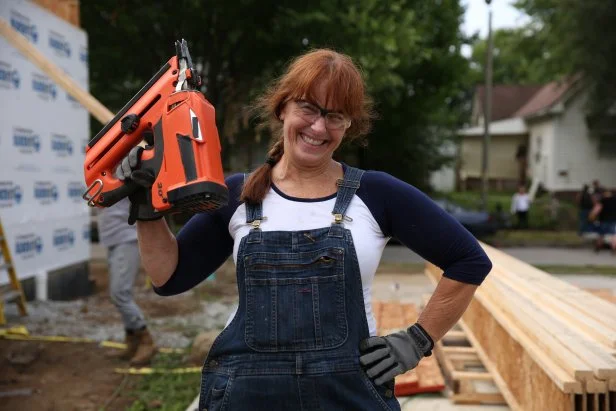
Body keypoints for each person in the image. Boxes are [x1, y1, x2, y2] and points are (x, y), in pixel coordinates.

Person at [119, 49, 492, 410]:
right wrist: (148, 209)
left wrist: (417, 339)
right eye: (308, 109)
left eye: (335, 116)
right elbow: (168, 277)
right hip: (249, 397)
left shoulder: (377, 194)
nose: (318, 127)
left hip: (347, 396)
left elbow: (468, 261)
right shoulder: (238, 195)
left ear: (349, 125)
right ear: (283, 109)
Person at [98, 197, 157, 365]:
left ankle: (146, 339)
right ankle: (132, 340)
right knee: (121, 294)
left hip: (126, 238)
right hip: (113, 240)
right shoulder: (103, 173)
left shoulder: (124, 172)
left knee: (120, 293)